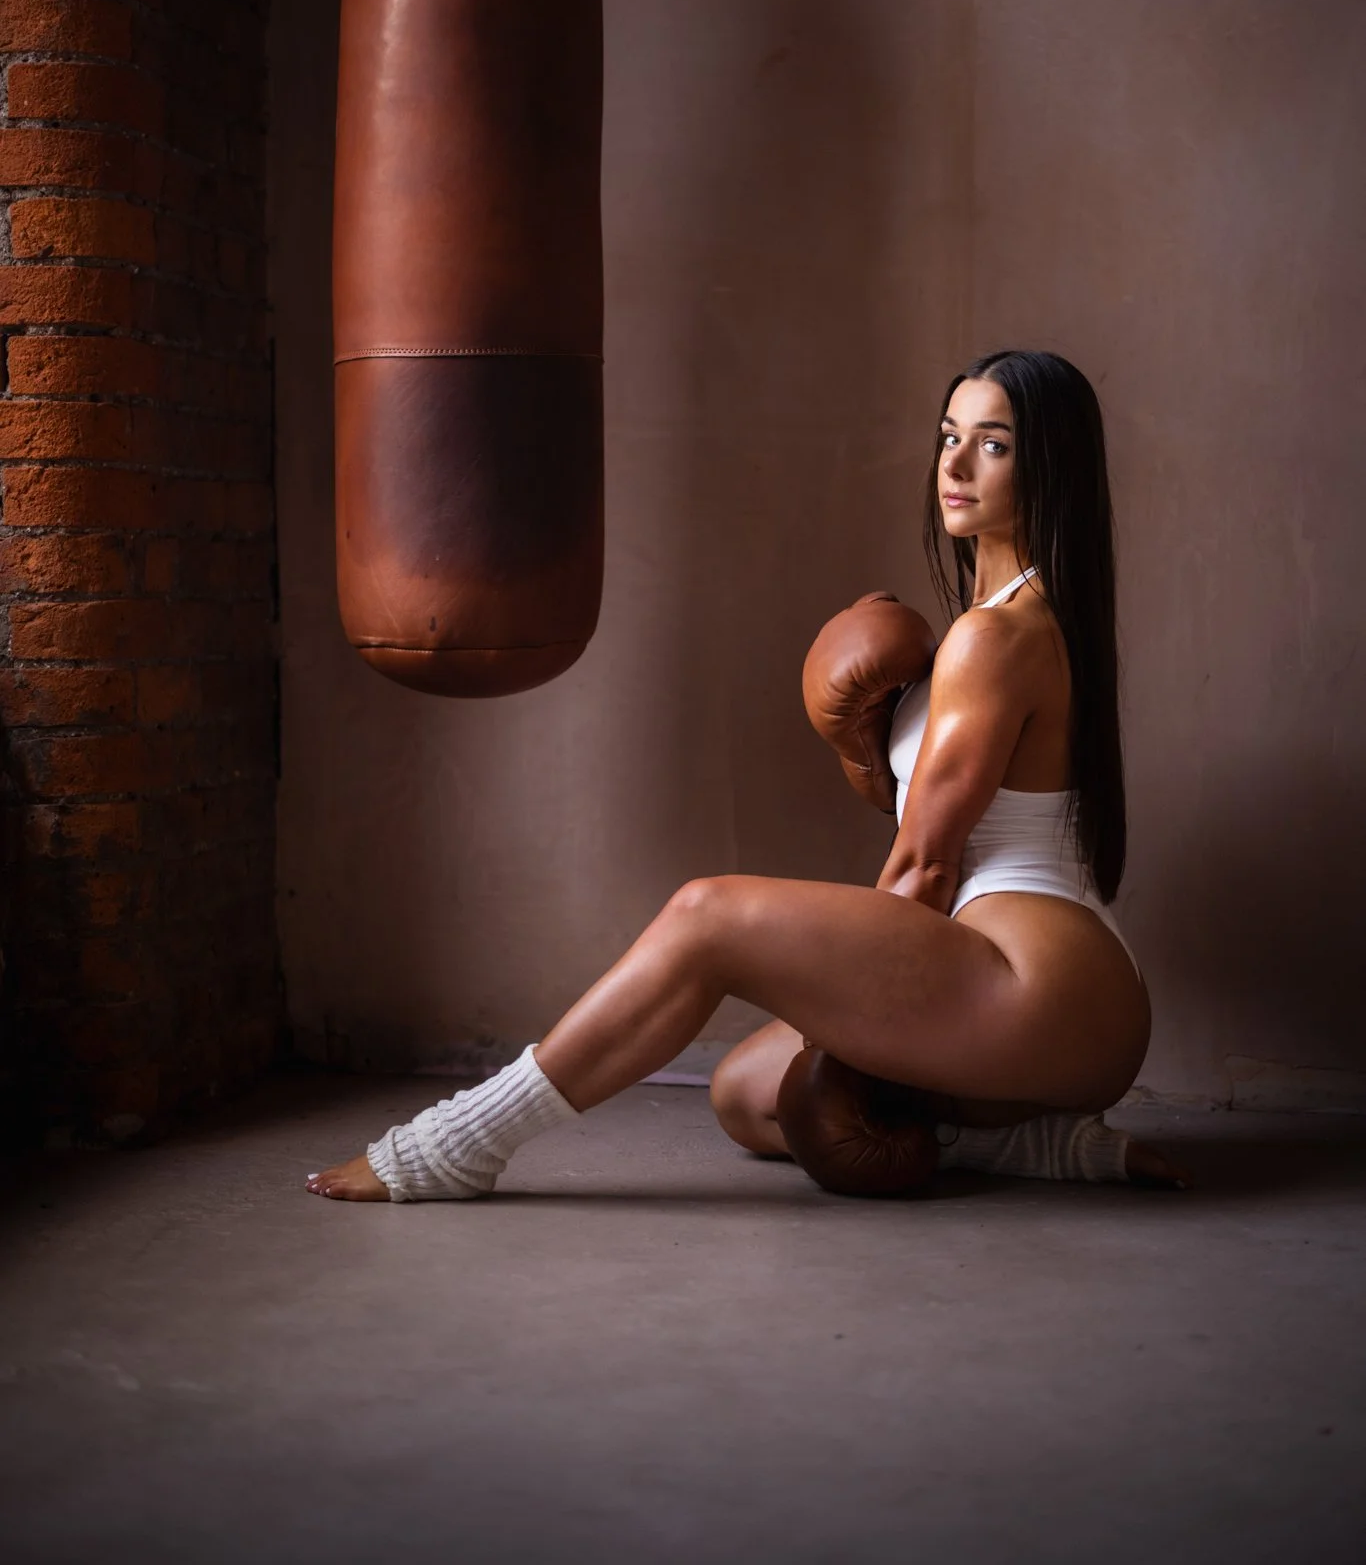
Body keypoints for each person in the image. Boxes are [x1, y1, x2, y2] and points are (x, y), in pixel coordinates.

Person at [308, 348, 1184, 1202]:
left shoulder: (995, 638)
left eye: (993, 445)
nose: (954, 463)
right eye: (947, 434)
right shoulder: (998, 619)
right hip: (1026, 984)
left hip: (1045, 987)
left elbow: (925, 865)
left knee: (707, 917)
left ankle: (461, 1143)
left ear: (1049, 469)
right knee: (746, 1094)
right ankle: (1026, 1147)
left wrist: (857, 1009)